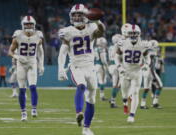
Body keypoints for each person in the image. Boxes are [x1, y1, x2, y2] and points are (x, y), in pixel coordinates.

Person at [58, 4, 105, 135]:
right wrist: (61, 68)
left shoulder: (92, 27)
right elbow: (63, 51)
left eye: (80, 15)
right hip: (76, 66)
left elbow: (101, 32)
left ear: (86, 16)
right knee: (81, 86)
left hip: (90, 67)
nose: (77, 17)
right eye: (75, 15)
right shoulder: (67, 31)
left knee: (91, 99)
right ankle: (79, 112)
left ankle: (86, 128)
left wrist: (98, 21)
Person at [8, 15, 44, 121]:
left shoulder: (38, 35)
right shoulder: (18, 35)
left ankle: (34, 109)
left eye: (30, 24)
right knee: (22, 89)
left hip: (32, 63)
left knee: (33, 87)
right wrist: (17, 56)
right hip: (21, 64)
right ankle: (23, 112)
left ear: (34, 25)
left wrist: (41, 64)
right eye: (27, 24)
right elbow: (10, 51)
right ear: (23, 25)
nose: (28, 26)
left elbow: (40, 50)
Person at [115, 24, 149, 123]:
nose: (133, 35)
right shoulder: (122, 43)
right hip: (125, 71)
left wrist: (146, 64)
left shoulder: (143, 44)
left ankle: (132, 115)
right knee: (124, 94)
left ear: (139, 34)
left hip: (137, 72)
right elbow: (117, 56)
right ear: (128, 34)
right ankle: (125, 103)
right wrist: (119, 67)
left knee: (135, 92)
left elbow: (148, 57)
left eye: (135, 33)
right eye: (131, 33)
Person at [141, 40, 163, 109]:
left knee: (146, 88)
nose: (157, 48)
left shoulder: (145, 52)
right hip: (150, 72)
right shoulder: (152, 53)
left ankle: (142, 104)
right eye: (156, 47)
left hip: (145, 72)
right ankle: (155, 103)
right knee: (160, 86)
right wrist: (153, 75)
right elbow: (151, 65)